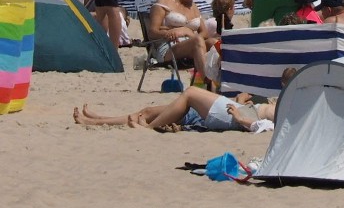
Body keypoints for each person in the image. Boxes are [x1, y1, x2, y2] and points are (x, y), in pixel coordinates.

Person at [73, 87, 275, 132]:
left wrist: (240, 118)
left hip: (232, 115)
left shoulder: (291, 116)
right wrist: (242, 101)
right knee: (148, 110)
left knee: (190, 92)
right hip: (233, 109)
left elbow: (264, 125)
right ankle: (96, 120)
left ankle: (149, 129)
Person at [148, 0, 210, 79]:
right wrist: (168, 33)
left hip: (192, 43)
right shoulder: (163, 3)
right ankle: (208, 82)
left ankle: (225, 81)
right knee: (197, 41)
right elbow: (152, 32)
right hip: (168, 47)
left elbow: (204, 32)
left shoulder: (193, 6)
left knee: (216, 42)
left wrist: (186, 32)